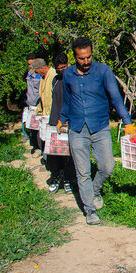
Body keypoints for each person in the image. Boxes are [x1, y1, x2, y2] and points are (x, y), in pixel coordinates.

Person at [58, 37, 136, 225]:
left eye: (88, 57)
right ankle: (90, 210)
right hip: (77, 129)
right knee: (82, 172)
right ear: (74, 56)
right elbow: (67, 101)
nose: (86, 62)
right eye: (81, 58)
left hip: (100, 127)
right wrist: (62, 118)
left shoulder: (103, 71)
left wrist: (127, 122)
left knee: (107, 167)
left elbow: (116, 98)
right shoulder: (68, 75)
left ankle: (95, 190)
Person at [44, 53, 77, 193]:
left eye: (63, 67)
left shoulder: (74, 79)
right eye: (58, 68)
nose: (61, 71)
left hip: (70, 121)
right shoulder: (55, 80)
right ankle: (56, 176)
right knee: (54, 153)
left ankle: (69, 179)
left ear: (68, 64)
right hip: (55, 121)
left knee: (70, 153)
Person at [24, 52, 42, 154]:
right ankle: (35, 146)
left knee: (40, 129)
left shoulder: (40, 75)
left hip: (38, 106)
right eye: (29, 64)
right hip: (30, 105)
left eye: (32, 64)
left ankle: (40, 148)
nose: (30, 66)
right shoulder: (29, 74)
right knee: (32, 129)